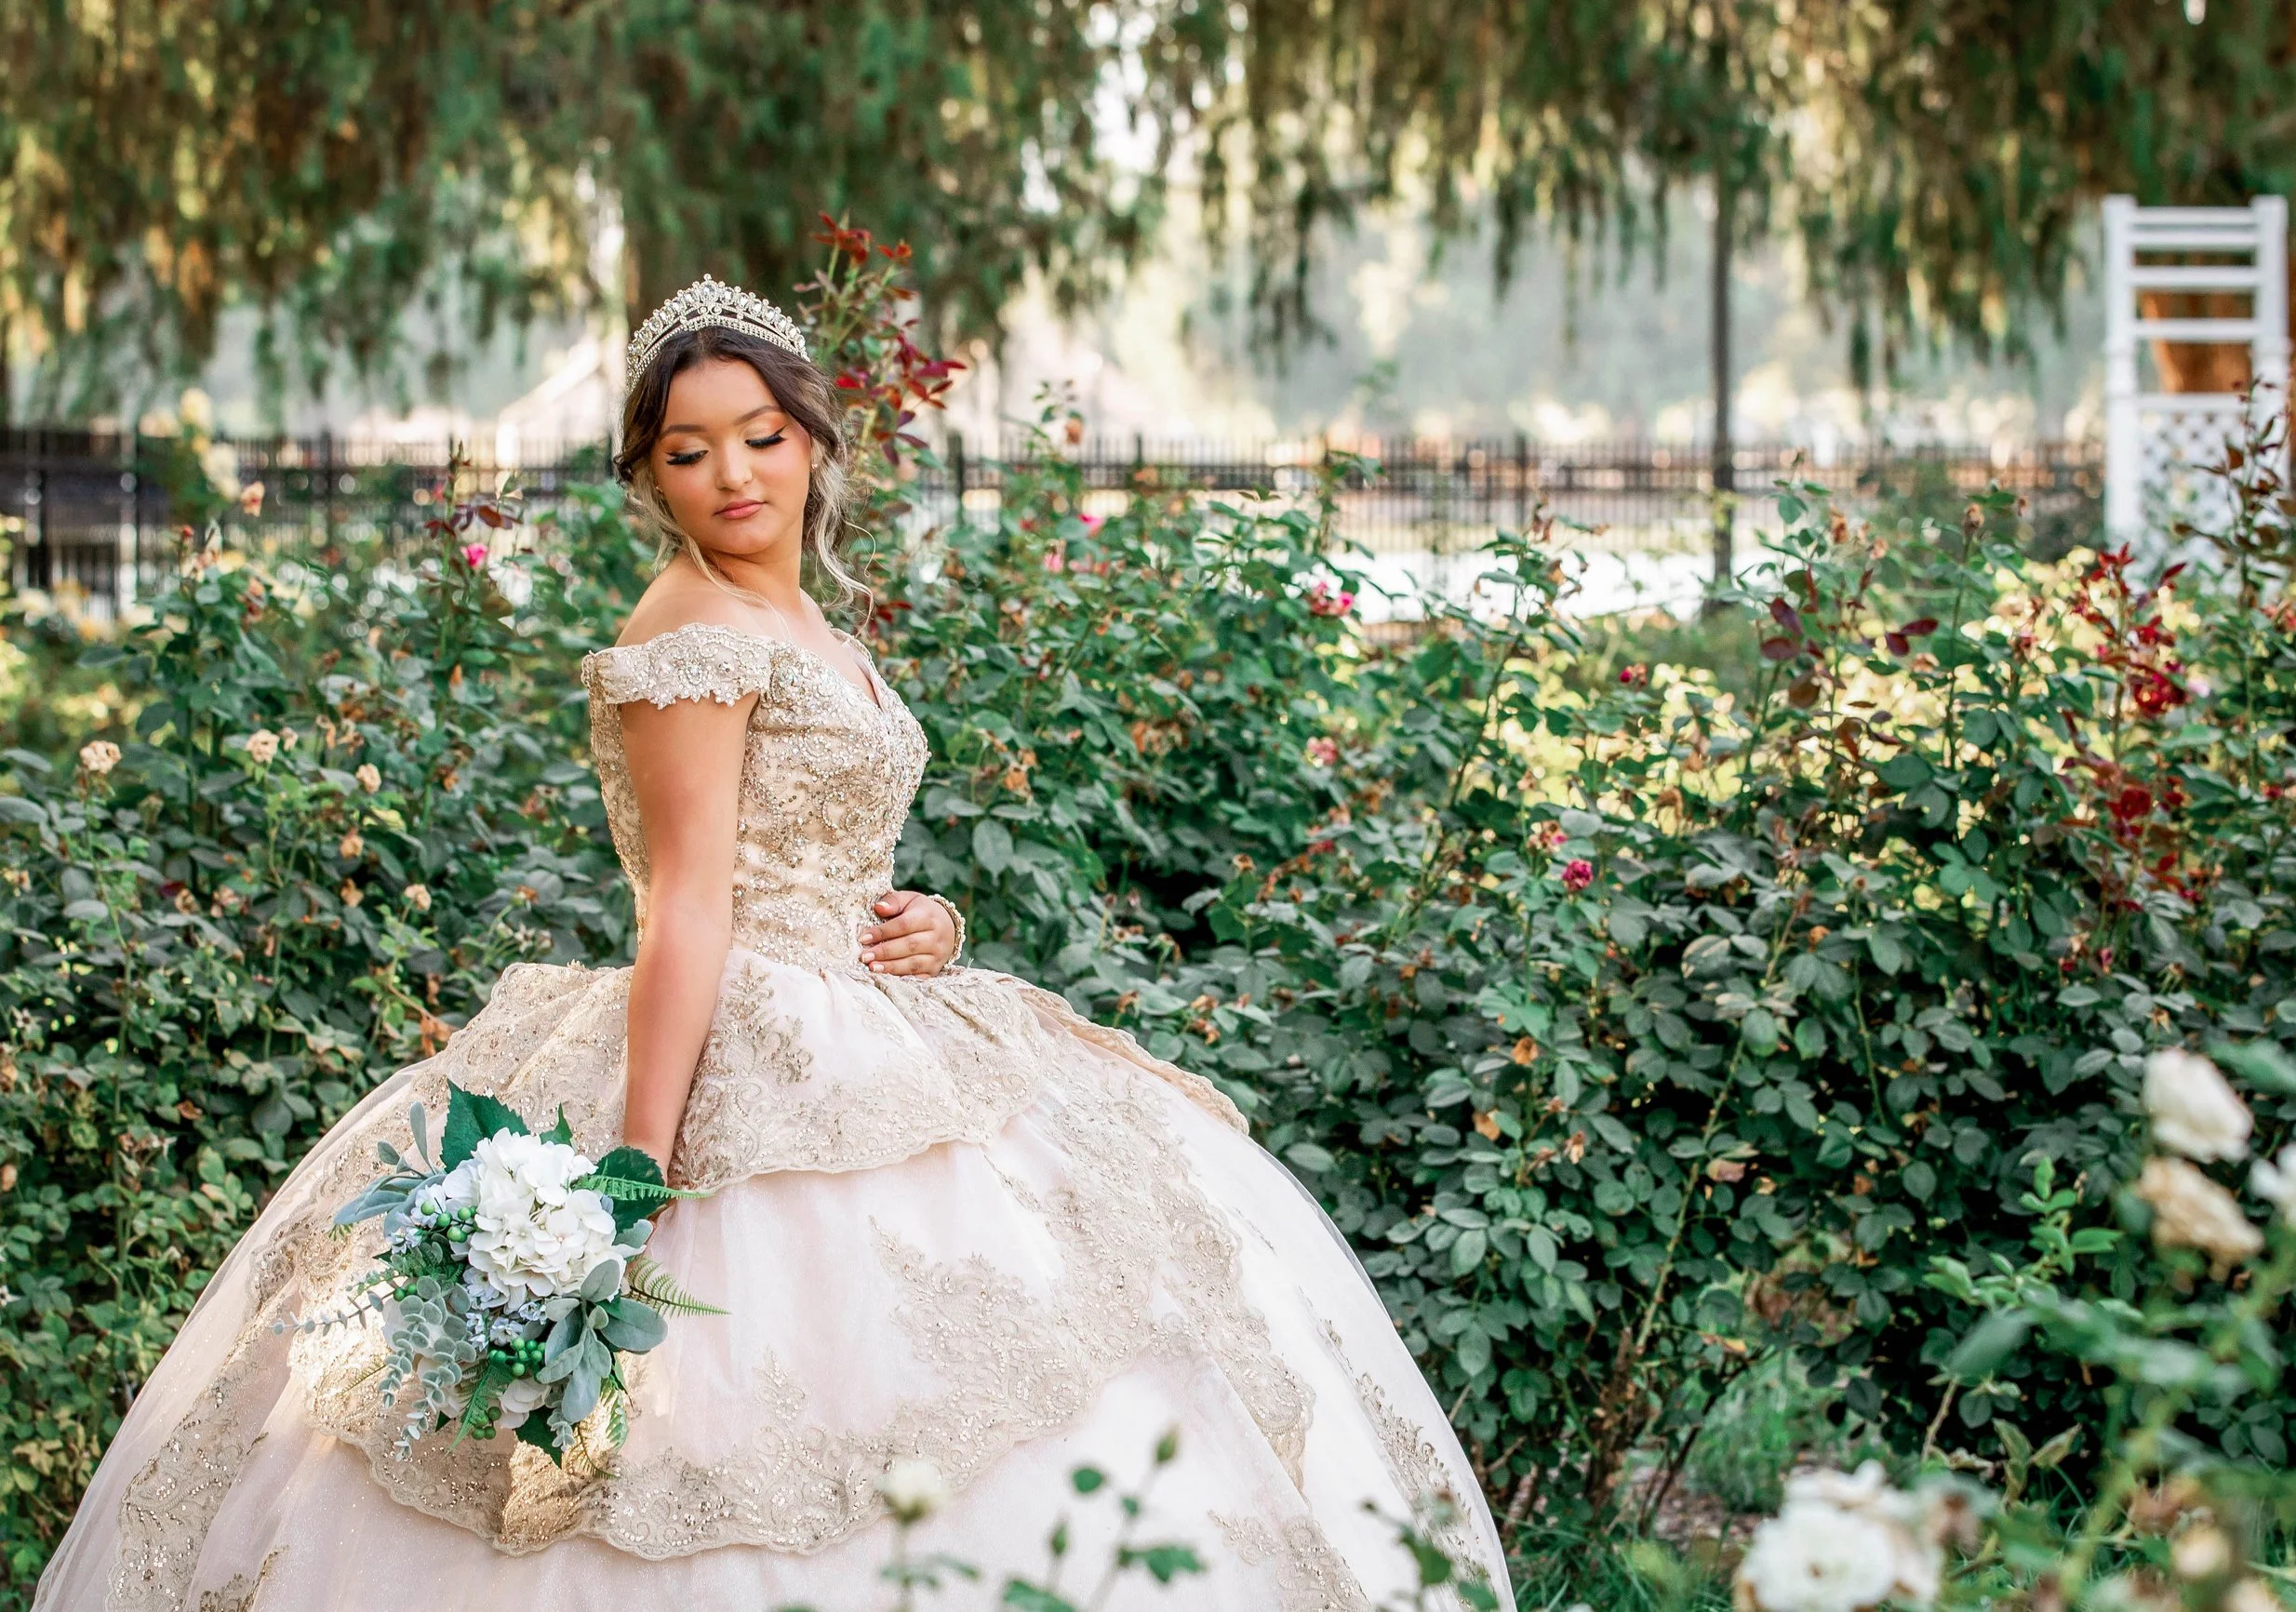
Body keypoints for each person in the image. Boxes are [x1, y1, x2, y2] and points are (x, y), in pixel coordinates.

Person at [33, 279, 1513, 1611]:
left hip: (875, 1024)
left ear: (814, 439)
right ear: (649, 477)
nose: (733, 474)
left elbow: (819, 847)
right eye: (688, 450)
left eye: (759, 436)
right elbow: (687, 904)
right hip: (740, 1041)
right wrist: (632, 1172)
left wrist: (928, 919)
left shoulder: (806, 618)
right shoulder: (690, 628)